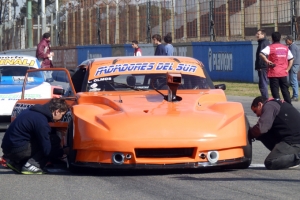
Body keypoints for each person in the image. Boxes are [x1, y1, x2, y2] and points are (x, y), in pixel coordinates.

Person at [1, 98, 69, 174]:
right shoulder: (41, 122)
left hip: (7, 149)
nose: (61, 118)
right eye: (62, 115)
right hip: (17, 150)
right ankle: (32, 165)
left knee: (36, 139)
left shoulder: (31, 111)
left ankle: (16, 163)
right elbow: (47, 150)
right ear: (57, 112)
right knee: (53, 140)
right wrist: (63, 151)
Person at [250, 96, 300, 170]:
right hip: (292, 137)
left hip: (294, 141)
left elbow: (262, 128)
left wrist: (248, 134)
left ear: (260, 104)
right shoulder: (275, 103)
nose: (257, 115)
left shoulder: (269, 106)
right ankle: (288, 157)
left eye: (255, 111)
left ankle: (294, 157)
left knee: (270, 162)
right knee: (262, 135)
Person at [260, 32, 294, 104]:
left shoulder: (270, 47)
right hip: (283, 73)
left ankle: (278, 105)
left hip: (274, 73)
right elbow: (291, 59)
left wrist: (267, 61)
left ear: (272, 39)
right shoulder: (285, 48)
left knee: (275, 91)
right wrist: (287, 69)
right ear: (280, 38)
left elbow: (261, 53)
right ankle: (289, 106)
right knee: (285, 90)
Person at [255, 29, 270, 99]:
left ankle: (265, 99)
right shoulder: (262, 42)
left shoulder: (263, 43)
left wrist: (260, 66)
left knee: (263, 83)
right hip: (263, 66)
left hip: (263, 67)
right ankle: (264, 97)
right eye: (257, 34)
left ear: (263, 35)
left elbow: (262, 55)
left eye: (258, 34)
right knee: (262, 83)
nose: (257, 35)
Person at [285, 35, 300, 101]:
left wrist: (289, 66)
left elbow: (292, 58)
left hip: (294, 65)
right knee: (293, 80)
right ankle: (295, 95)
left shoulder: (293, 47)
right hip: (295, 65)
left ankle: (295, 96)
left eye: (287, 40)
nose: (286, 41)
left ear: (290, 40)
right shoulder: (292, 46)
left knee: (294, 81)